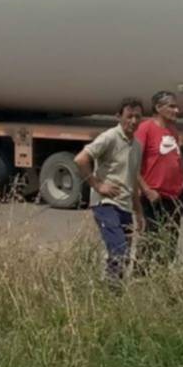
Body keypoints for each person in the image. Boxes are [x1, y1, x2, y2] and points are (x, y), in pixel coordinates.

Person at [75, 97, 144, 280]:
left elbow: (133, 179)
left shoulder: (137, 146)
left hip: (125, 205)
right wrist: (98, 185)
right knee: (118, 248)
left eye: (137, 117)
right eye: (129, 116)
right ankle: (110, 287)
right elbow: (81, 159)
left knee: (124, 255)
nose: (133, 121)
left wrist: (139, 212)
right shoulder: (110, 137)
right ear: (118, 117)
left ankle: (115, 287)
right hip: (106, 204)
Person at [134, 90, 183, 268]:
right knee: (150, 242)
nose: (176, 110)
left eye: (176, 106)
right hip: (154, 197)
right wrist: (147, 190)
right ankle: (140, 277)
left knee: (169, 245)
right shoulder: (146, 128)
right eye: (171, 106)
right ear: (158, 108)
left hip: (174, 197)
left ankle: (162, 277)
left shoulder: (172, 130)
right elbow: (133, 163)